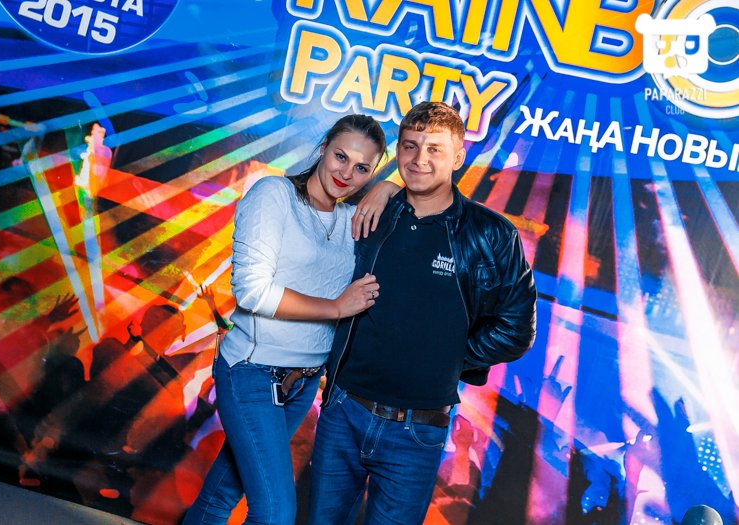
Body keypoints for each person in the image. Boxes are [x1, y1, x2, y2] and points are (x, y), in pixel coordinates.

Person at [308, 101, 537, 525]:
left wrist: (447, 359)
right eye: (410, 146)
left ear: (458, 157)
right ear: (397, 152)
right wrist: (385, 187)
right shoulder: (372, 211)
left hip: (417, 429)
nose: (419, 159)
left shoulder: (491, 234)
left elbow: (516, 329)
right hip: (343, 410)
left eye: (434, 149)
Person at [184, 114, 394, 525]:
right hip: (253, 372)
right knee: (275, 513)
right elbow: (252, 292)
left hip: (302, 383)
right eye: (340, 156)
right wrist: (336, 307)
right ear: (323, 147)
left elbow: (426, 202)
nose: (346, 173)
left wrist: (389, 188)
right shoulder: (275, 194)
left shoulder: (350, 220)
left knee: (221, 493)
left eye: (362, 168)